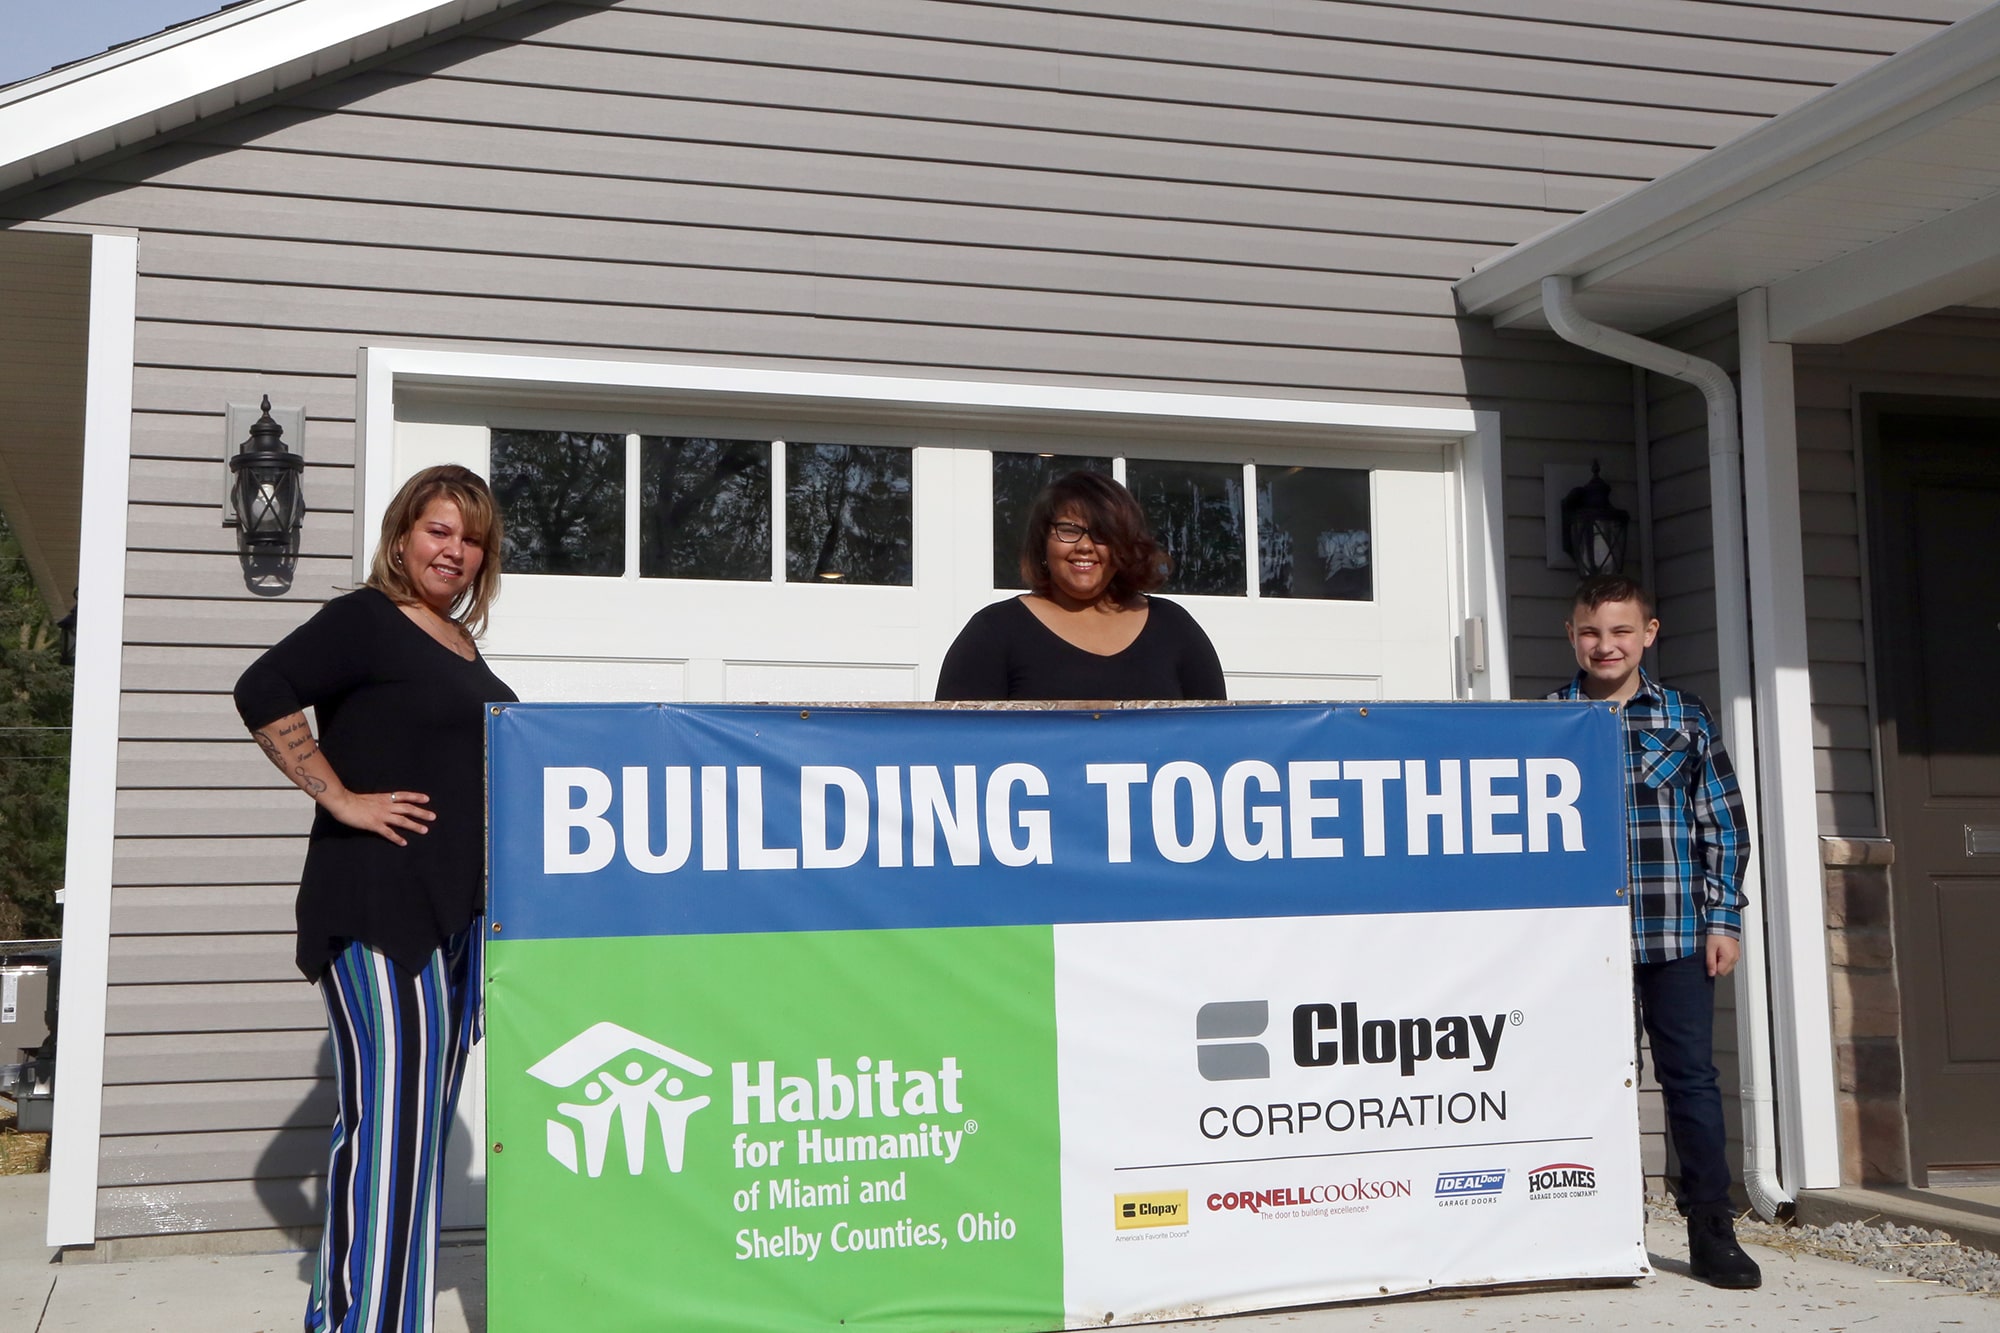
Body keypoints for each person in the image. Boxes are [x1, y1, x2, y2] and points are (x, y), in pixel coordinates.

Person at [233, 465, 517, 1332]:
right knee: (390, 1134)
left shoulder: (459, 646)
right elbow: (262, 689)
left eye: (470, 539)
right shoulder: (364, 620)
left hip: (455, 921)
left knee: (416, 1136)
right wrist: (342, 796)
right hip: (376, 909)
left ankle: (351, 1311)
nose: (454, 551)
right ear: (402, 537)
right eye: (438, 531)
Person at [1550, 573, 1761, 1290]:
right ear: (1570, 634)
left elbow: (1723, 828)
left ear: (1649, 634)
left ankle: (1712, 1227)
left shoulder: (1686, 717)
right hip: (1583, 945)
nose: (1604, 645)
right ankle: (1600, 1223)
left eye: (1619, 631)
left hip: (1676, 934)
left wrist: (1723, 918)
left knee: (1691, 1081)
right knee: (1591, 1081)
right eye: (1590, 631)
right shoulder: (1541, 721)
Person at [935, 470, 1225, 701]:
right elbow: (954, 748)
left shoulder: (1174, 628)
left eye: (1102, 533)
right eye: (1069, 530)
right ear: (1043, 542)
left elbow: (1218, 738)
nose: (1085, 546)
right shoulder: (992, 633)